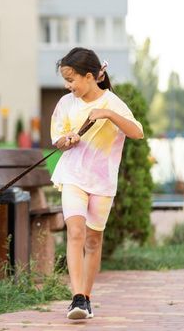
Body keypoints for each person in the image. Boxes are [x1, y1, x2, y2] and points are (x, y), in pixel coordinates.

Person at [50, 47, 144, 319]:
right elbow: (57, 139)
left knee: (93, 240)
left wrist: (108, 115)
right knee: (76, 232)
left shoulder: (112, 102)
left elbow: (137, 132)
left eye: (71, 80)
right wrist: (65, 141)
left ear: (89, 76)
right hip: (73, 176)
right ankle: (77, 297)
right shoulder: (66, 104)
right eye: (65, 80)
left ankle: (87, 299)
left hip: (102, 182)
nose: (68, 86)